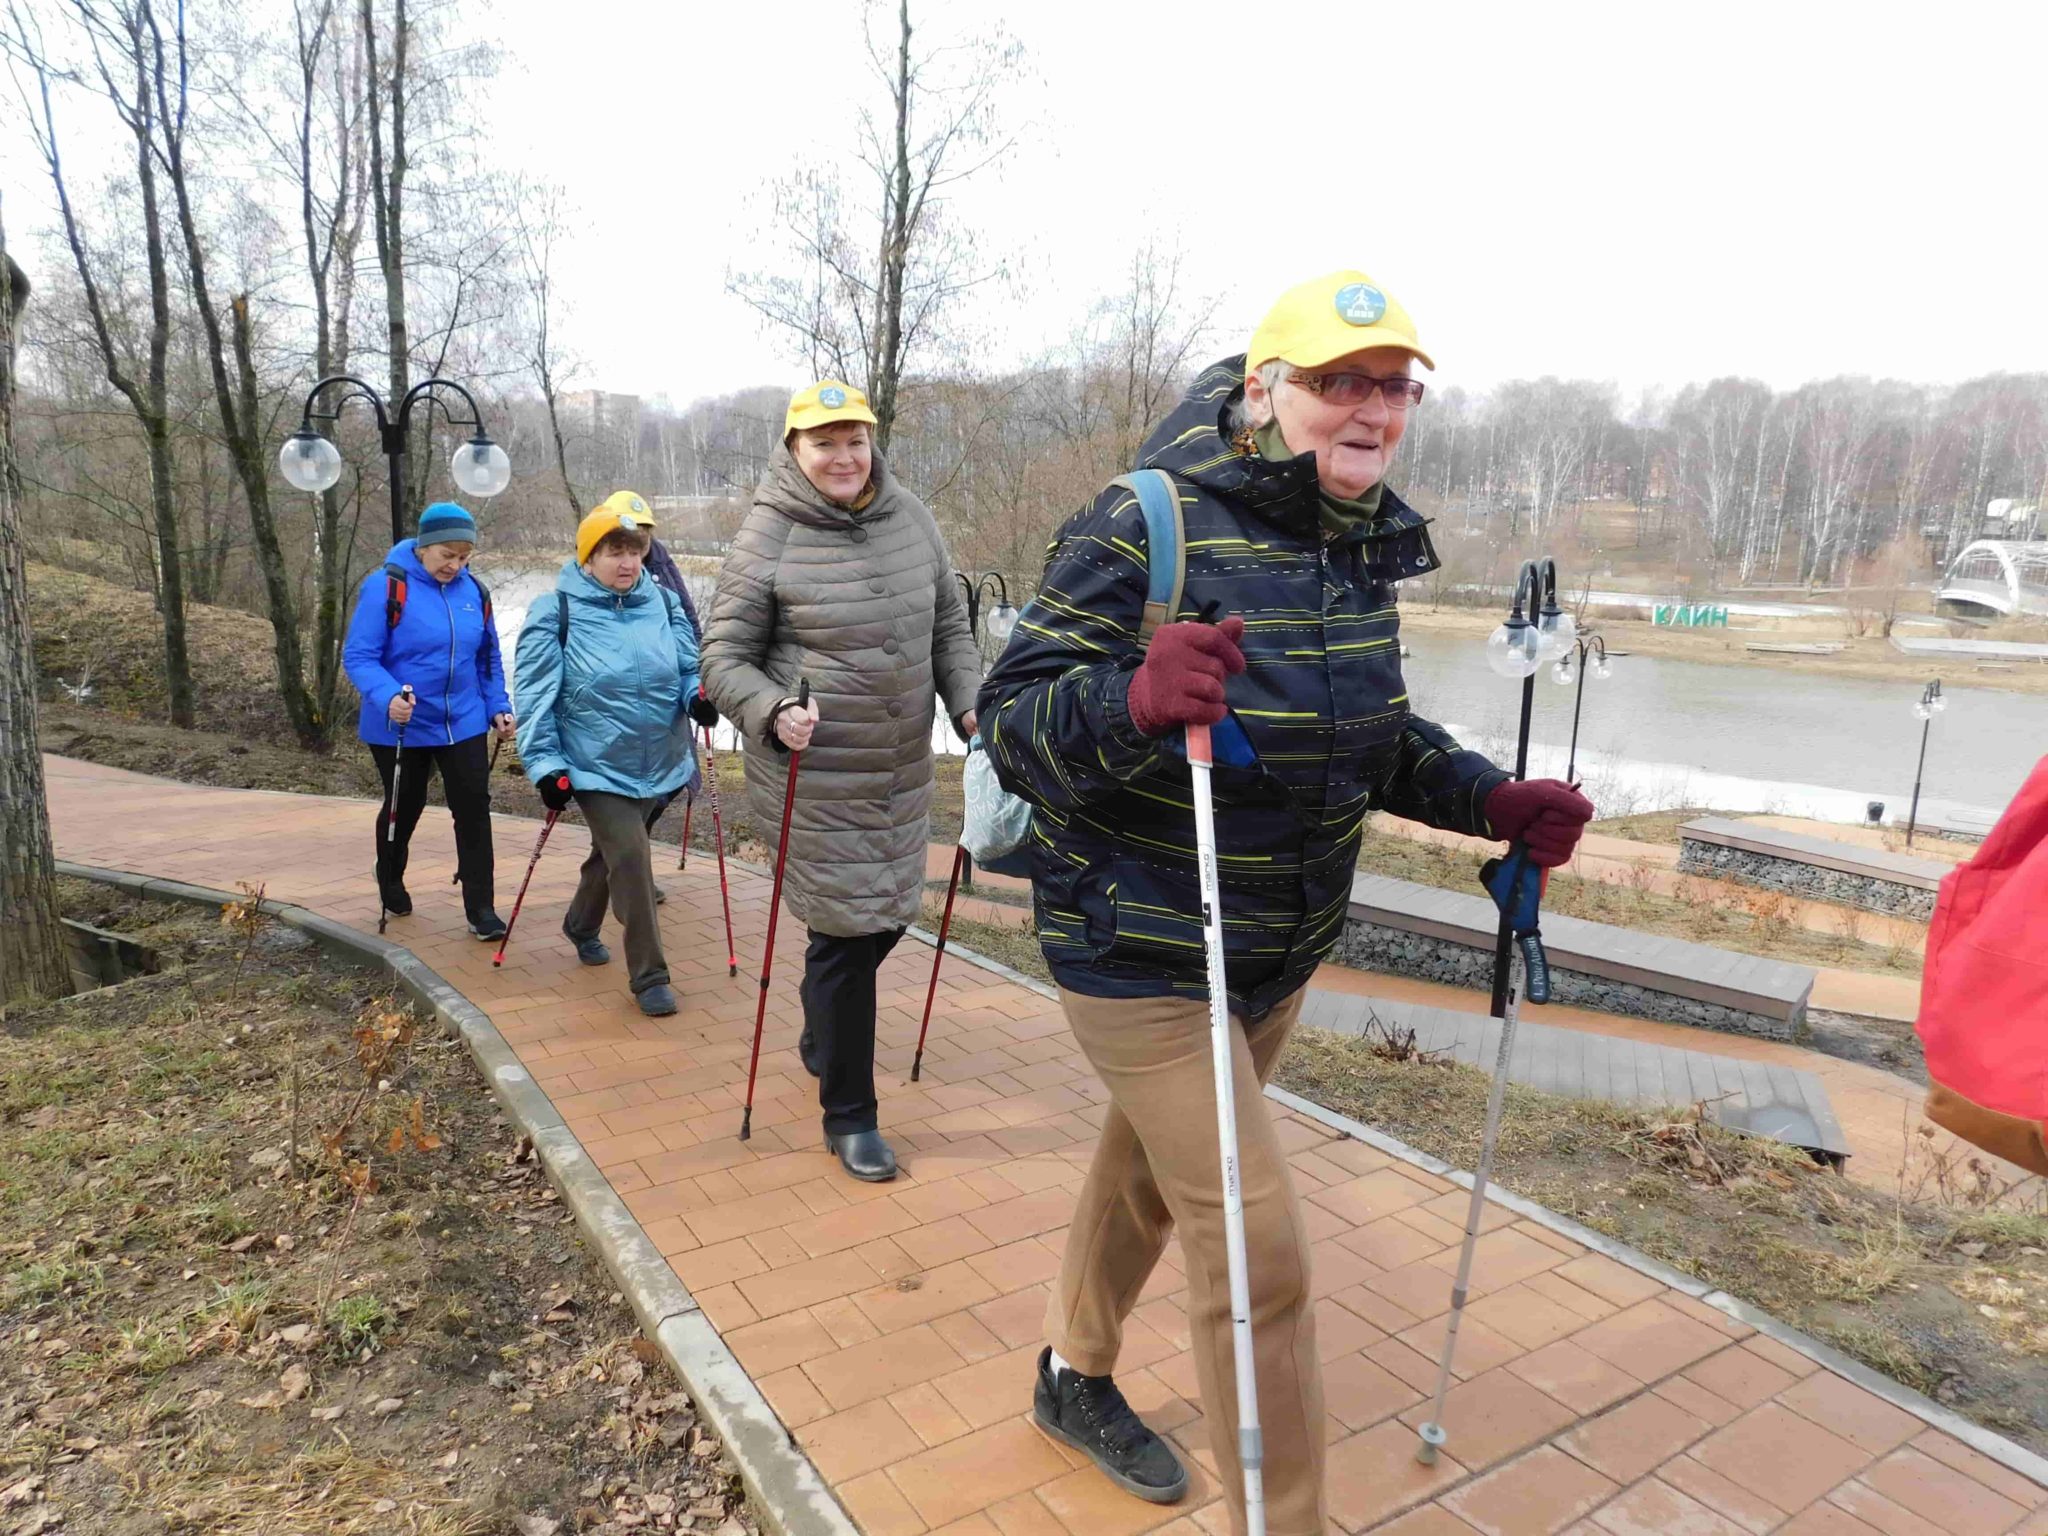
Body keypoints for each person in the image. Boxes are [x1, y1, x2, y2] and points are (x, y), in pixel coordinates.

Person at [977, 270, 1594, 1532]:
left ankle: (1068, 1373)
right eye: (1335, 381)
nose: (1369, 409)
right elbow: (1010, 729)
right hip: (1138, 936)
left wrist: (1489, 800)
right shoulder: (1138, 522)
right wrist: (1133, 701)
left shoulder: (1350, 545)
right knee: (1259, 1253)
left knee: (1153, 1177)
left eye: (1391, 386)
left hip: (1274, 945)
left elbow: (1368, 731)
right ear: (1263, 392)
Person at [702, 380, 981, 1183]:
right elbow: (722, 660)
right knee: (847, 937)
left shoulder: (912, 516)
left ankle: (823, 1026)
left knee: (889, 919)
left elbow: (948, 625)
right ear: (794, 451)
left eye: (854, 439)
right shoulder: (768, 535)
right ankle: (850, 1115)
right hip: (814, 774)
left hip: (899, 770)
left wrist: (968, 705)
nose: (843, 456)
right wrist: (771, 709)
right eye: (824, 442)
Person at [514, 498, 709, 1017]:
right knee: (632, 856)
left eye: (635, 552)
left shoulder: (663, 604)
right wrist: (546, 766)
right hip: (593, 762)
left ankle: (580, 922)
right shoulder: (555, 611)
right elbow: (534, 696)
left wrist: (698, 697)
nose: (628, 563)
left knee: (616, 853)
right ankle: (650, 977)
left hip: (661, 760)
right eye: (614, 552)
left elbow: (689, 667)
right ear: (587, 557)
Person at [342, 501, 514, 939]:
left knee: (474, 807)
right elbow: (359, 655)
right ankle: (390, 875)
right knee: (407, 804)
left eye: (464, 557)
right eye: (447, 556)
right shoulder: (387, 587)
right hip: (402, 722)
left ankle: (482, 910)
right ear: (423, 547)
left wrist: (497, 704)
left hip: (464, 719)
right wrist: (386, 696)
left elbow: (487, 656)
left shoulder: (474, 592)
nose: (455, 566)